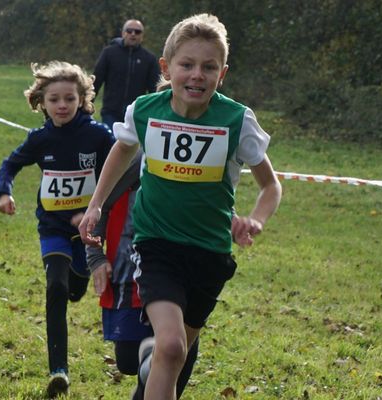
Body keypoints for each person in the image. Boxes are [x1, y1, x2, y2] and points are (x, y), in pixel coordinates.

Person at [79, 13, 282, 400]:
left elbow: (271, 186)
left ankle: (149, 363)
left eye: (208, 67)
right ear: (166, 68)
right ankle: (153, 355)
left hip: (210, 253)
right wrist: (96, 205)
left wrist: (255, 219)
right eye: (186, 65)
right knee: (171, 347)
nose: (196, 75)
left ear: (222, 74)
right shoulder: (146, 110)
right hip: (157, 244)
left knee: (174, 354)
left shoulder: (237, 120)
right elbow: (122, 151)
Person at [0, 61, 115, 399]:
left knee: (75, 288)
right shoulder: (40, 139)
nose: (62, 106)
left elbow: (122, 167)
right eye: (54, 100)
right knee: (56, 288)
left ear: (82, 101)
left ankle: (79, 277)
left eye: (69, 99)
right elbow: (10, 163)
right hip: (53, 228)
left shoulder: (98, 135)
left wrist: (99, 210)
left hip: (89, 228)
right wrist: (4, 191)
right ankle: (58, 370)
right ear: (41, 103)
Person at [85, 152, 199, 399]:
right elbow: (99, 206)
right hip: (130, 269)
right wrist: (95, 256)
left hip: (183, 266)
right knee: (128, 361)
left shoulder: (203, 155)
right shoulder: (137, 160)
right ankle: (149, 363)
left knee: (177, 349)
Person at [93, 19, 160, 129]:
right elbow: (96, 80)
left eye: (137, 32)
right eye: (129, 31)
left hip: (135, 114)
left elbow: (155, 88)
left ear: (142, 36)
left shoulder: (149, 59)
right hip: (111, 112)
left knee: (132, 146)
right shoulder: (109, 53)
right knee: (111, 144)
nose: (133, 34)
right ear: (123, 33)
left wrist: (157, 112)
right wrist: (86, 104)